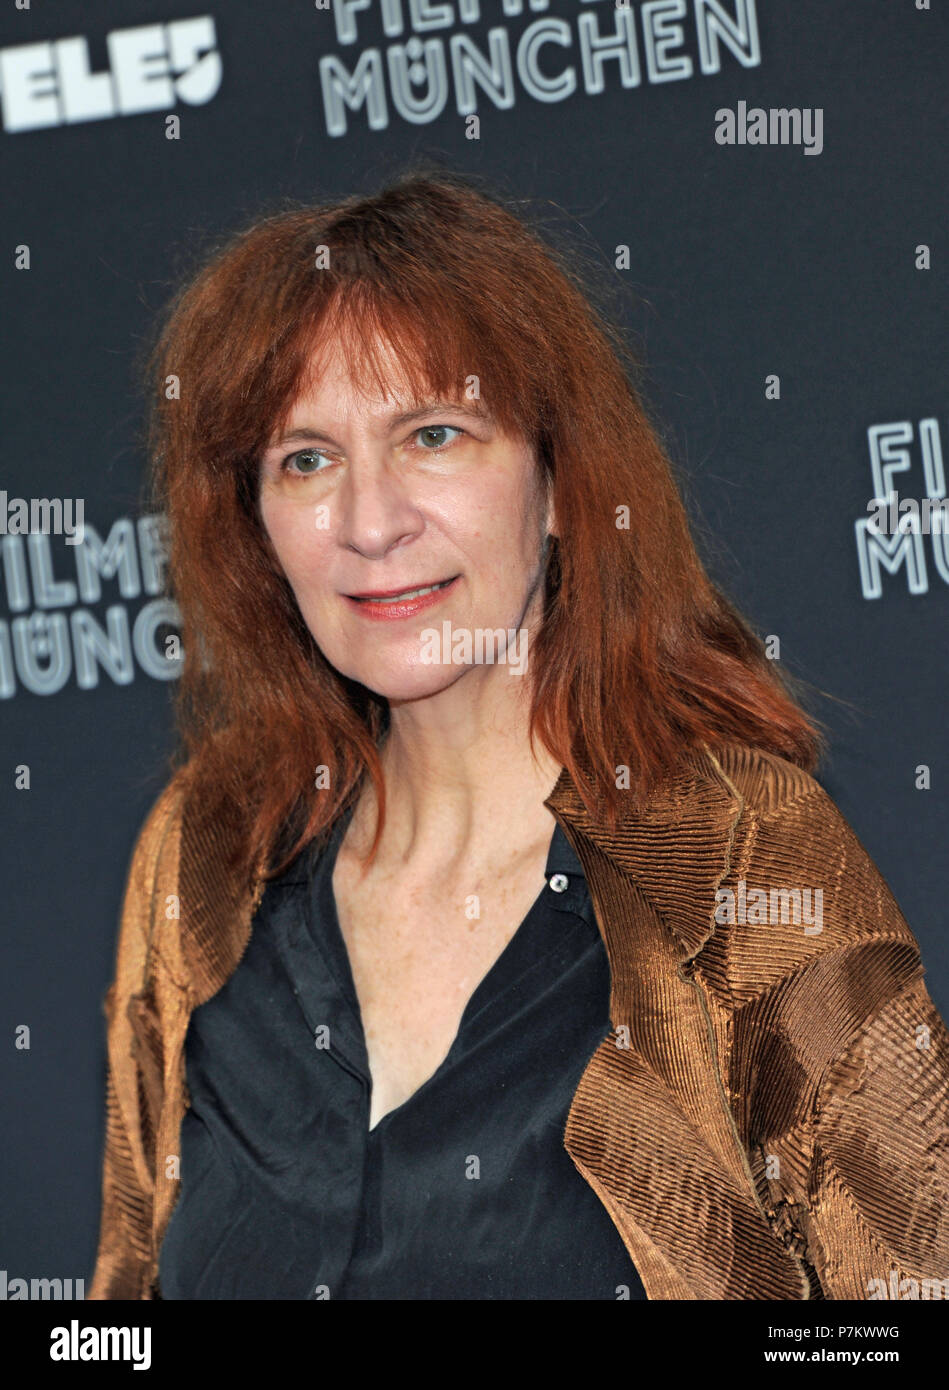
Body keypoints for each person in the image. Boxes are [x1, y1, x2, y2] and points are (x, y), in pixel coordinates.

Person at [88, 167, 949, 1301]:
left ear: (555, 482)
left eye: (433, 434)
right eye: (307, 459)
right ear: (252, 523)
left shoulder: (738, 853)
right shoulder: (208, 848)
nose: (370, 521)